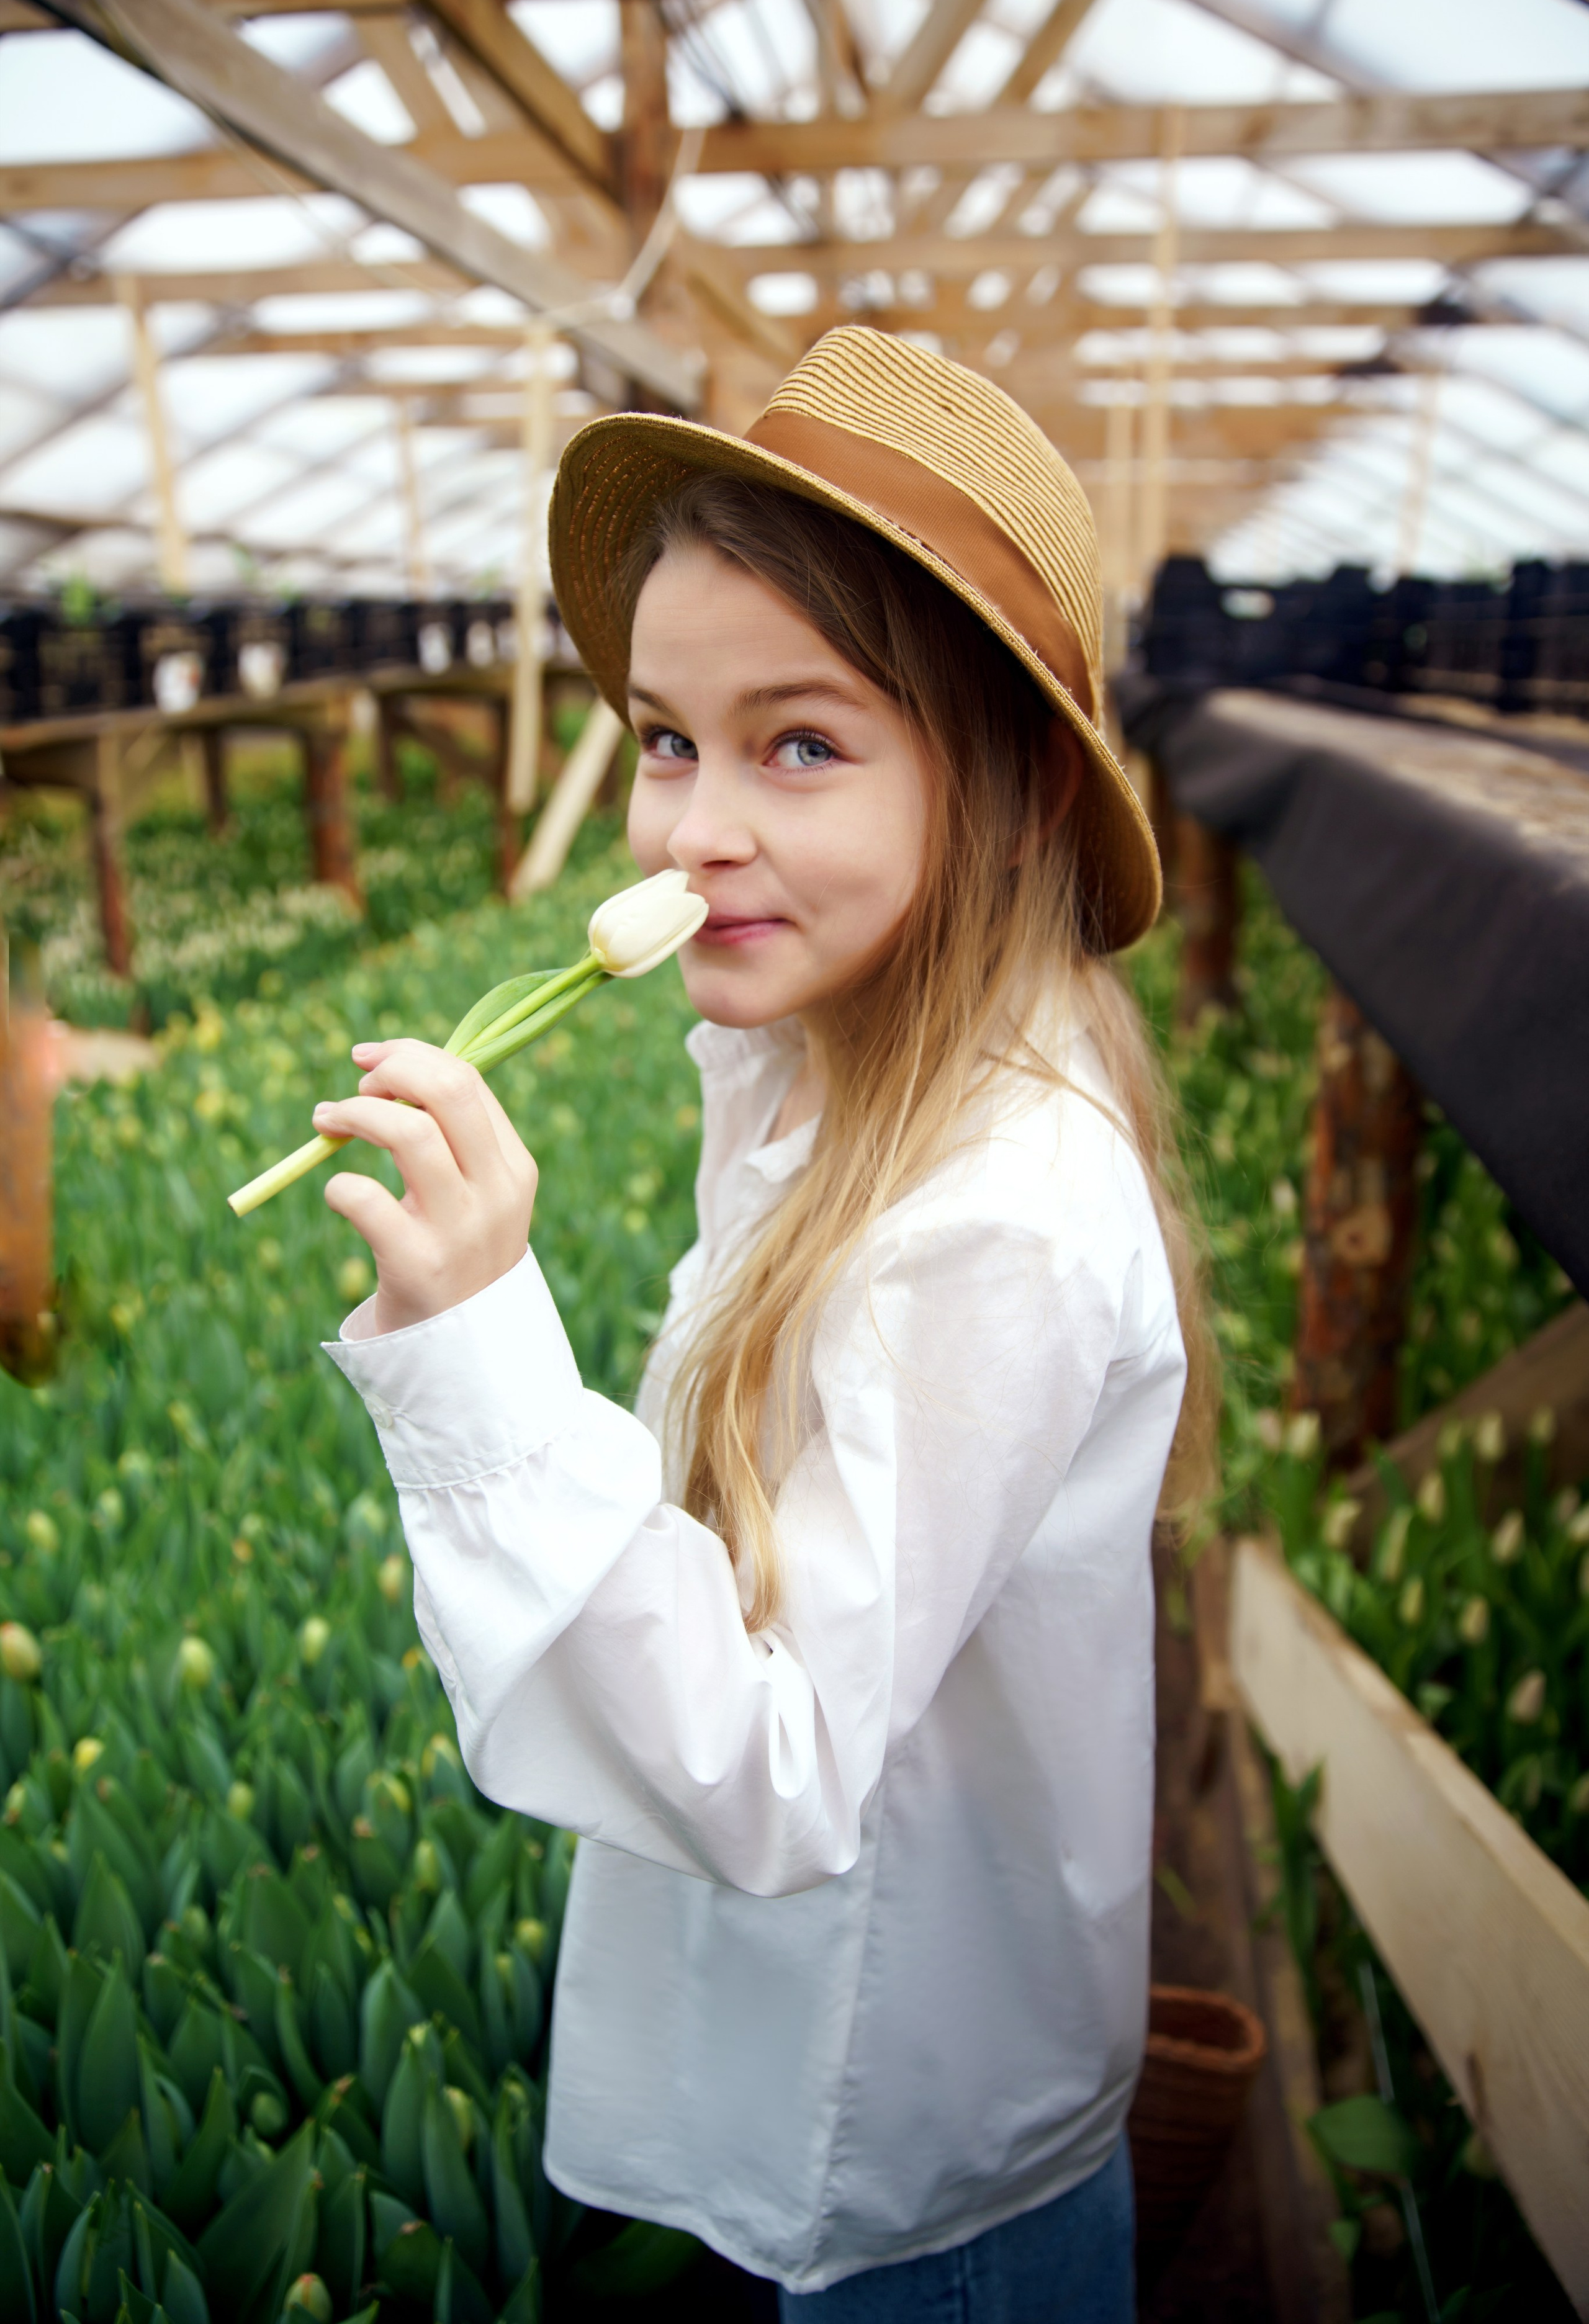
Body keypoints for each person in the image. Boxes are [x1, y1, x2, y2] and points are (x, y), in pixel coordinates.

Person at [318, 326, 1213, 2322]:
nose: (689, 825)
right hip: (864, 2087)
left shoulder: (992, 1212)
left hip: (925, 2176)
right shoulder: (835, 1069)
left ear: (1001, 790)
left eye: (798, 744)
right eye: (664, 737)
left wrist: (478, 1343)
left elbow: (785, 1763)